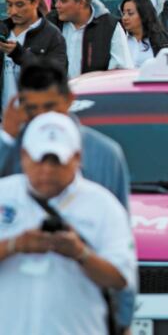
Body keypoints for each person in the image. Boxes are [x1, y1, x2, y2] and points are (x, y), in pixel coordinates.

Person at [0, 113, 136, 335]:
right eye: (39, 159)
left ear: (77, 157)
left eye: (57, 161)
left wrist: (80, 253)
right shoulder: (3, 195)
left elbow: (120, 279)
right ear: (23, 156)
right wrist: (15, 245)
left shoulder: (104, 206)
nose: (47, 170)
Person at [1, 0, 67, 109]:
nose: (12, 11)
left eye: (19, 5)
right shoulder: (3, 30)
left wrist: (19, 54)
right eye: (9, 4)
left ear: (36, 2)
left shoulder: (52, 36)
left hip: (33, 119)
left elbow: (54, 80)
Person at [48, 0, 133, 78]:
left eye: (63, 1)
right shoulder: (51, 23)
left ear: (81, 3)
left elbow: (121, 71)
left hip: (93, 92)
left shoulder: (110, 27)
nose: (57, 5)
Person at [119, 0, 168, 68]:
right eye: (123, 13)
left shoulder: (162, 41)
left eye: (130, 13)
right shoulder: (119, 39)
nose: (124, 18)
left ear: (143, 15)